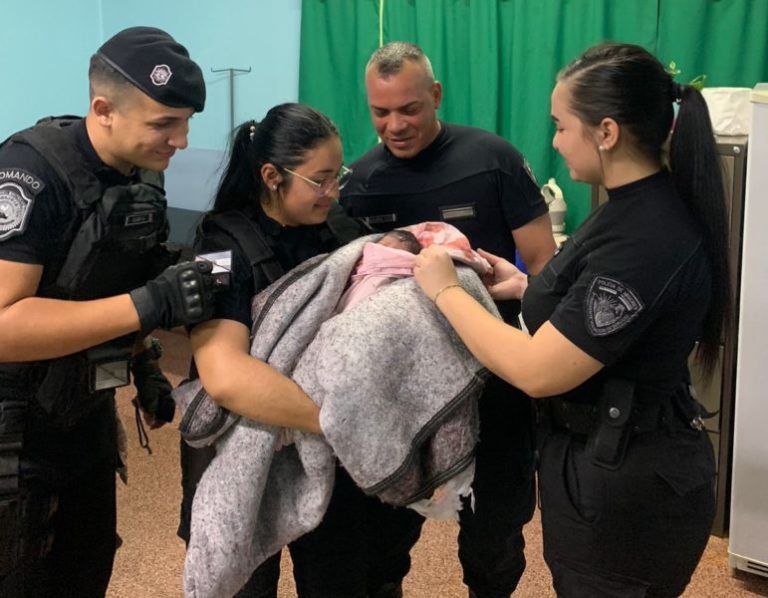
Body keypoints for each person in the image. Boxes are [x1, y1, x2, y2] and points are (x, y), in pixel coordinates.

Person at [413, 42, 729, 597]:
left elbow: (538, 370)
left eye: (561, 127)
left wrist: (444, 291)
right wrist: (521, 286)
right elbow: (605, 309)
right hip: (602, 466)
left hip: (628, 495)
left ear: (605, 132)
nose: (555, 142)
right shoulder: (631, 206)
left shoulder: (645, 235)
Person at [0, 26, 213, 597]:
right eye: (164, 124)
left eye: (186, 121)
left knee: (86, 566)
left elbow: (104, 281)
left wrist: (143, 367)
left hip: (84, 414)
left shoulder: (141, 175)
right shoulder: (30, 172)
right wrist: (149, 304)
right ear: (104, 110)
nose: (182, 140)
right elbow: (4, 325)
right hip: (15, 428)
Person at [341, 41, 556, 597]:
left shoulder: (493, 158)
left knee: (493, 534)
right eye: (380, 112)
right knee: (385, 532)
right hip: (404, 388)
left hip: (494, 375)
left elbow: (544, 265)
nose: (395, 125)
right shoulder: (359, 182)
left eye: (409, 109)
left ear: (435, 96)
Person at [177, 103, 408, 598]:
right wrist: (342, 422)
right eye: (320, 180)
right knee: (243, 577)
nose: (334, 191)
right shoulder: (220, 248)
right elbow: (225, 377)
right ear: (271, 176)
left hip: (323, 450)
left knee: (341, 575)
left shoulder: (339, 233)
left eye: (337, 175)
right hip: (245, 437)